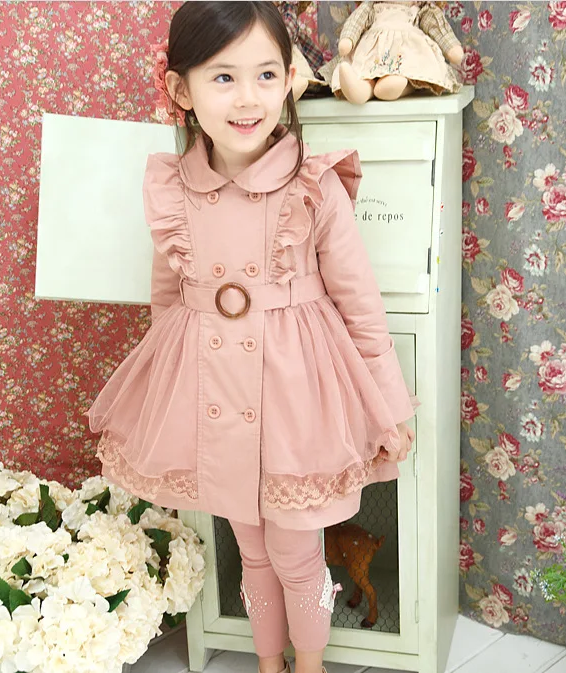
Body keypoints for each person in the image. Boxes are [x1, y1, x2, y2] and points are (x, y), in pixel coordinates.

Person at [85, 3, 417, 673]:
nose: (247, 98)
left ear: (290, 79)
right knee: (254, 551)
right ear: (181, 90)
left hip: (296, 396)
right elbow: (167, 303)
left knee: (296, 552)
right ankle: (269, 663)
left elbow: (360, 304)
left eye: (266, 74)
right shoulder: (173, 189)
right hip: (214, 394)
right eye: (223, 77)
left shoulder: (313, 185)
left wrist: (388, 406)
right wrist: (167, 398)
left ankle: (309, 665)